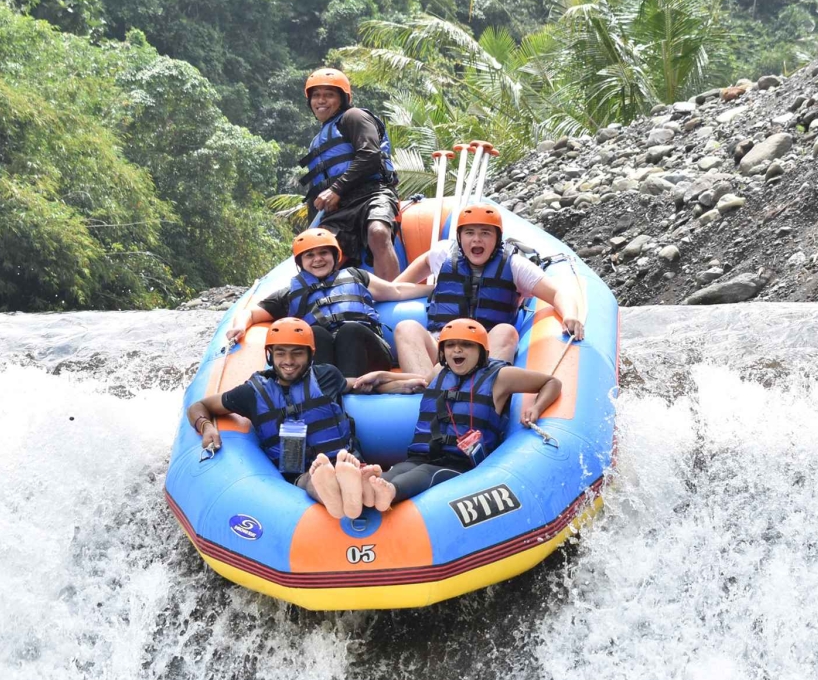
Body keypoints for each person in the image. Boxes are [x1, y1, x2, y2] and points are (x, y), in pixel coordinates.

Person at [186, 319, 395, 518]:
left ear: (310, 355)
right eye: (280, 353)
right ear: (270, 356)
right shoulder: (250, 393)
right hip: (302, 473)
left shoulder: (326, 376)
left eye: (297, 353)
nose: (288, 361)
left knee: (355, 470)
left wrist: (403, 382)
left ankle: (353, 486)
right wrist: (206, 426)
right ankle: (336, 486)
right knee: (311, 480)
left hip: (345, 457)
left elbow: (361, 384)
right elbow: (199, 406)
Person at [356, 319, 562, 503]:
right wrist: (382, 377)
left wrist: (536, 408)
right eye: (451, 345)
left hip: (462, 466)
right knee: (401, 469)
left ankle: (390, 491)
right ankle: (366, 487)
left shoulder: (502, 377)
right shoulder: (440, 371)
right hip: (422, 455)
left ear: (482, 351)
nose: (457, 350)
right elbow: (420, 382)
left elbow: (551, 382)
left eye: (466, 345)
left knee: (425, 474)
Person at [383, 203, 586, 387]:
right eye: (469, 233)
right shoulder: (442, 254)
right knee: (406, 327)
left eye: (485, 233)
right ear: (460, 237)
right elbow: (399, 284)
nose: (477, 239)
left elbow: (558, 291)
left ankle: (480, 394)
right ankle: (427, 391)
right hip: (442, 346)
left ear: (497, 238)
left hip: (484, 351)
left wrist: (570, 314)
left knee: (506, 331)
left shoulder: (515, 266)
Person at [225, 227, 432, 377]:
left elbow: (396, 290)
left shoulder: (356, 276)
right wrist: (240, 326)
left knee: (349, 331)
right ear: (301, 263)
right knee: (316, 335)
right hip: (325, 356)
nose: (318, 259)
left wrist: (433, 288)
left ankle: (349, 392)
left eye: (324, 253)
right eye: (310, 255)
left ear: (335, 256)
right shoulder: (290, 293)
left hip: (369, 352)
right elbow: (252, 313)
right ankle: (325, 395)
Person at [300, 68, 400, 281]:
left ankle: (391, 293)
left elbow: (370, 156)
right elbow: (318, 192)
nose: (321, 100)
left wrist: (336, 189)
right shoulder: (316, 142)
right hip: (338, 208)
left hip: (373, 194)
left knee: (378, 232)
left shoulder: (354, 117)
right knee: (316, 249)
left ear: (343, 98)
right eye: (316, 95)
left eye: (329, 94)